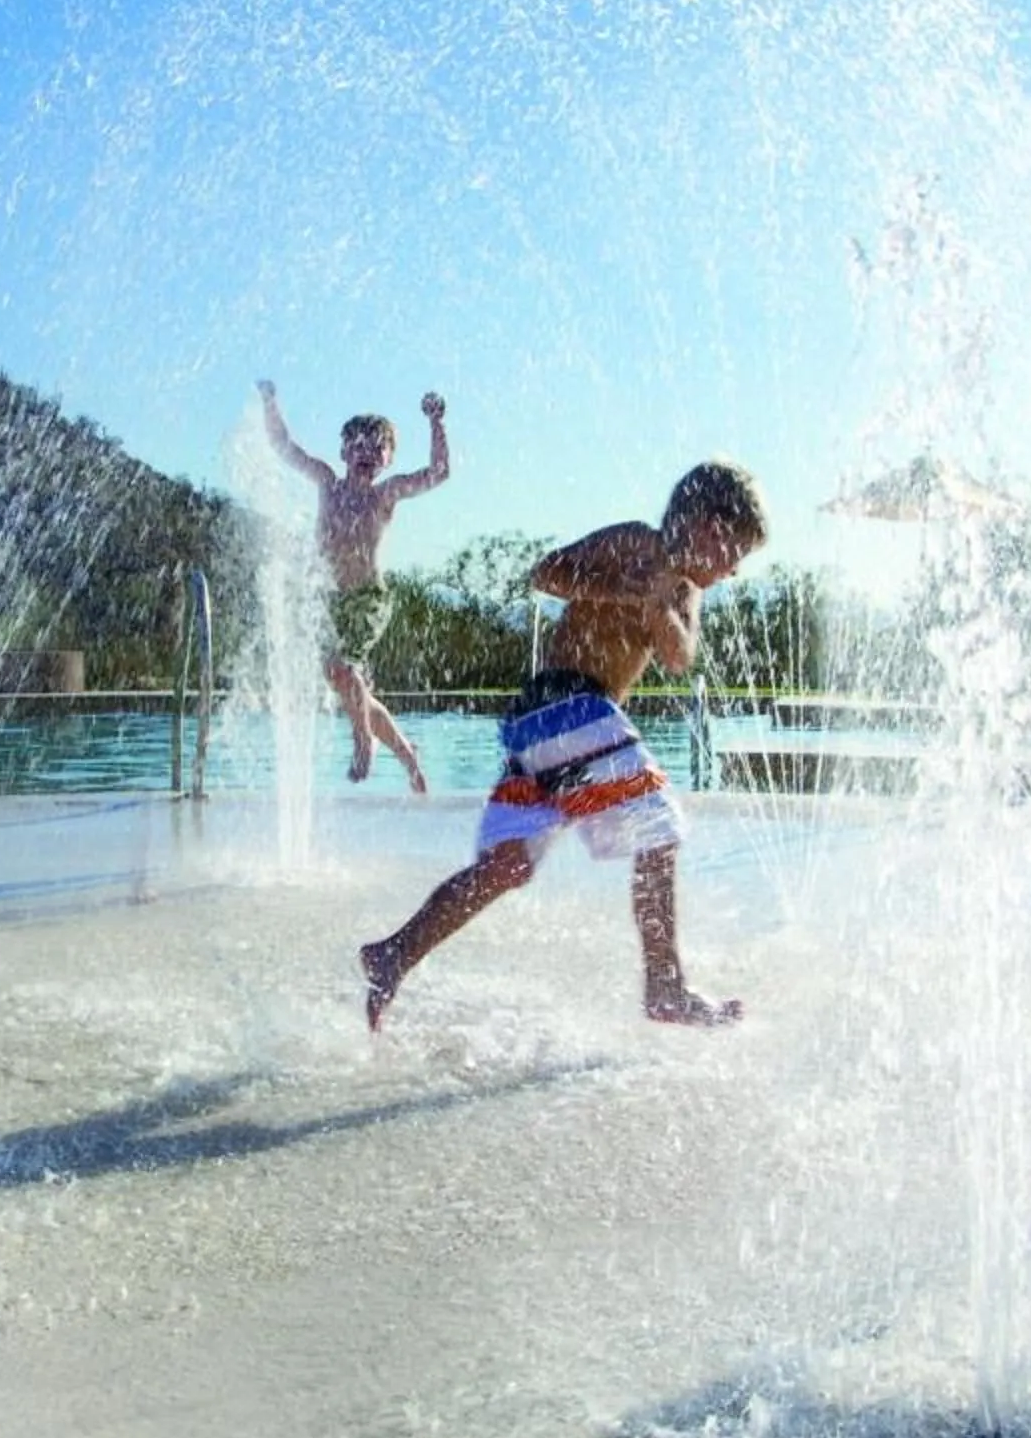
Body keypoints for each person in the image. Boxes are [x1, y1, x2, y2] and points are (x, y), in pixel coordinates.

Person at [360, 461, 768, 1032]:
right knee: (659, 827)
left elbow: (678, 657)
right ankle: (666, 987)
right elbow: (545, 573)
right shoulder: (633, 541)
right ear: (707, 525)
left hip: (550, 728)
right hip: (566, 703)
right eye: (734, 552)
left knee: (506, 866)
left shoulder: (683, 590)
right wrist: (620, 587)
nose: (732, 570)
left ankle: (393, 952)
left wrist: (656, 604)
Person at [258, 380, 451, 791]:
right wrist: (270, 401)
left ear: (389, 458)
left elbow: (439, 473)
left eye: (378, 447)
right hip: (330, 600)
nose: (367, 453)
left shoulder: (386, 495)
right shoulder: (327, 484)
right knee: (350, 687)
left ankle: (363, 739)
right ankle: (407, 755)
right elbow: (283, 446)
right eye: (359, 445)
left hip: (368, 599)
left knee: (342, 672)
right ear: (344, 451)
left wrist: (436, 421)